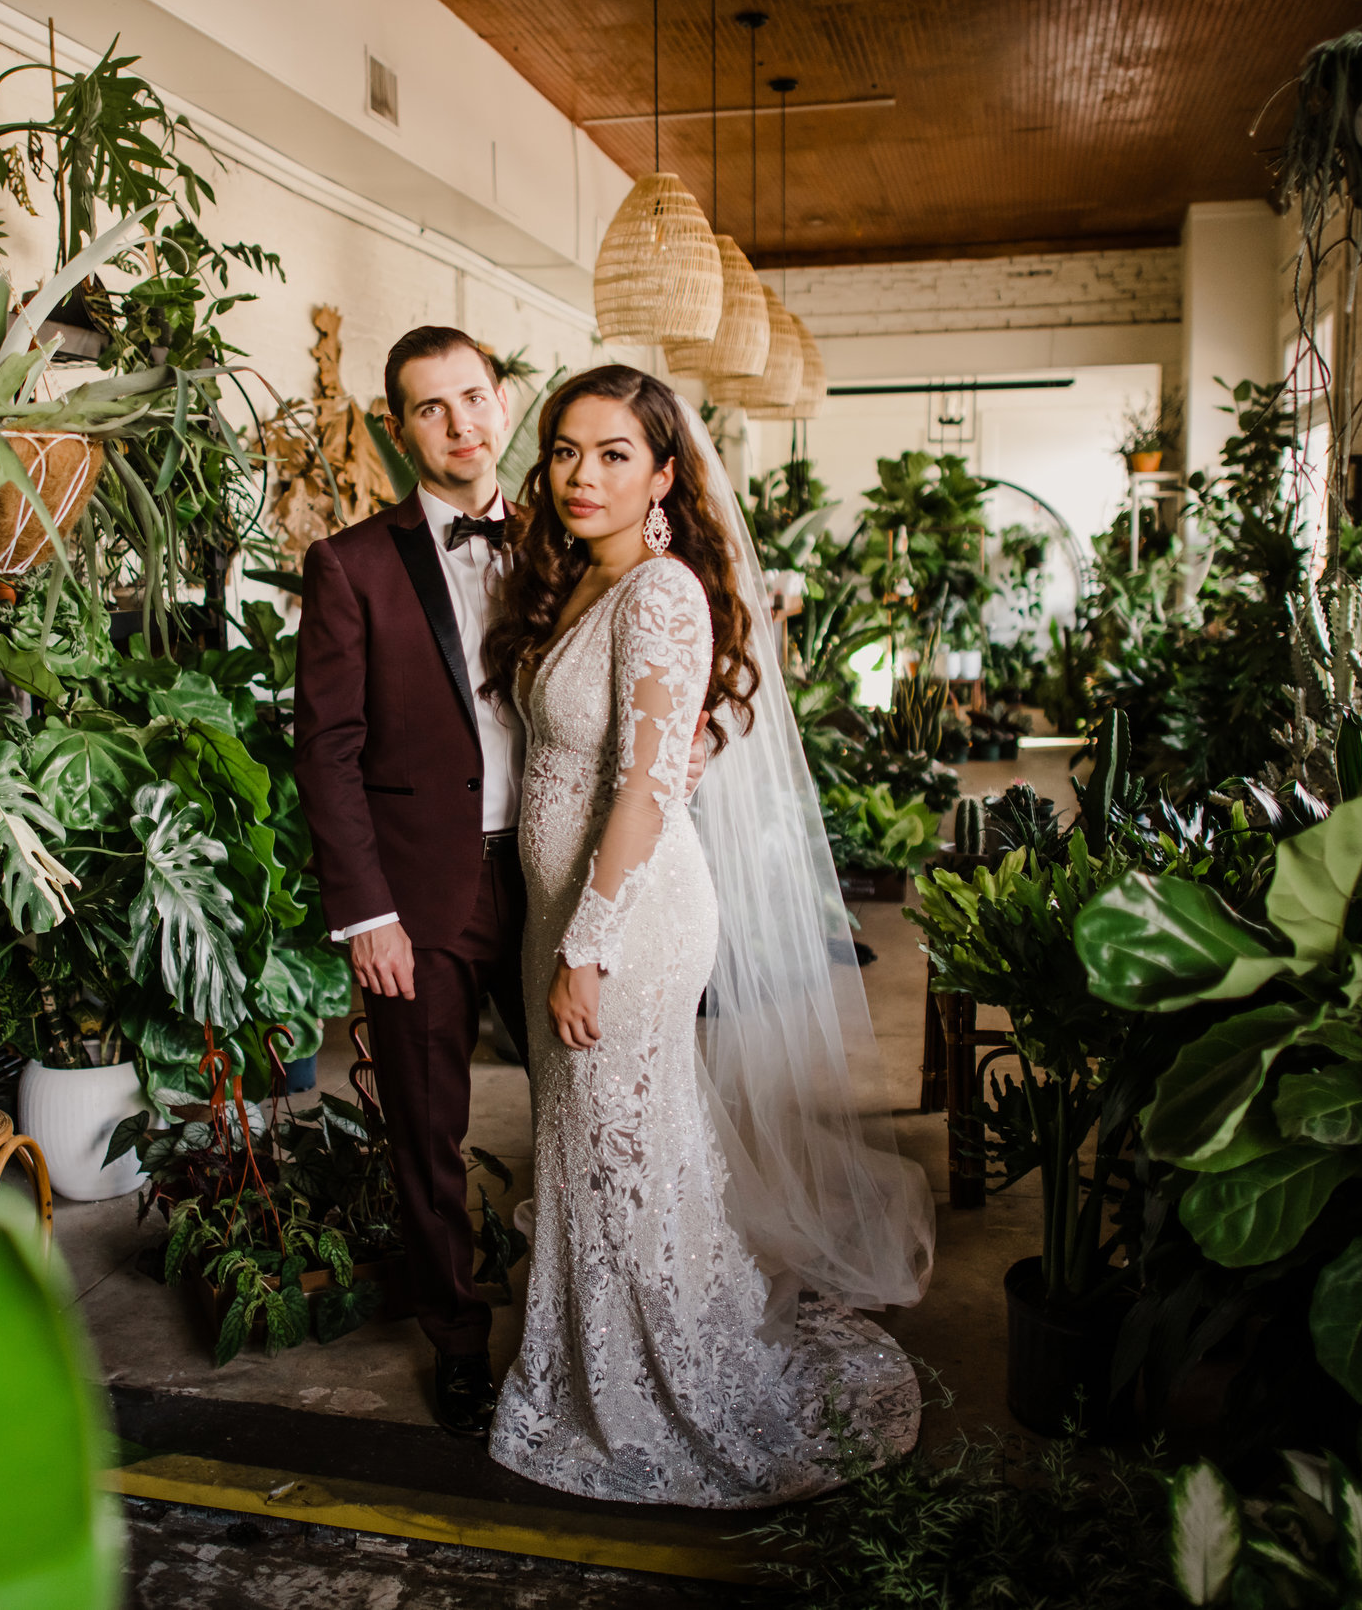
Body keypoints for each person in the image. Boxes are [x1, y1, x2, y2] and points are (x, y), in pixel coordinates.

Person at [476, 365, 932, 1508]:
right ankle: (593, 1363)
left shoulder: (662, 592)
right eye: (566, 451)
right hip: (561, 918)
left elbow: (640, 790)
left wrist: (589, 939)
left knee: (617, 1145)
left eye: (614, 453)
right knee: (591, 1146)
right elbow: (663, 746)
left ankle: (658, 1384)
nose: (582, 475)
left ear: (666, 473)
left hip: (621, 924)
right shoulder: (585, 581)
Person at [292, 327, 531, 1437]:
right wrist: (366, 913)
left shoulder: (564, 540)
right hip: (417, 901)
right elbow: (327, 751)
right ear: (399, 429)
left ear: (504, 402)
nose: (460, 424)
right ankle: (458, 1343)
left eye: (474, 398)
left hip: (553, 876)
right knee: (426, 1133)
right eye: (431, 409)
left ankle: (589, 1318)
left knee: (593, 1110)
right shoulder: (350, 565)